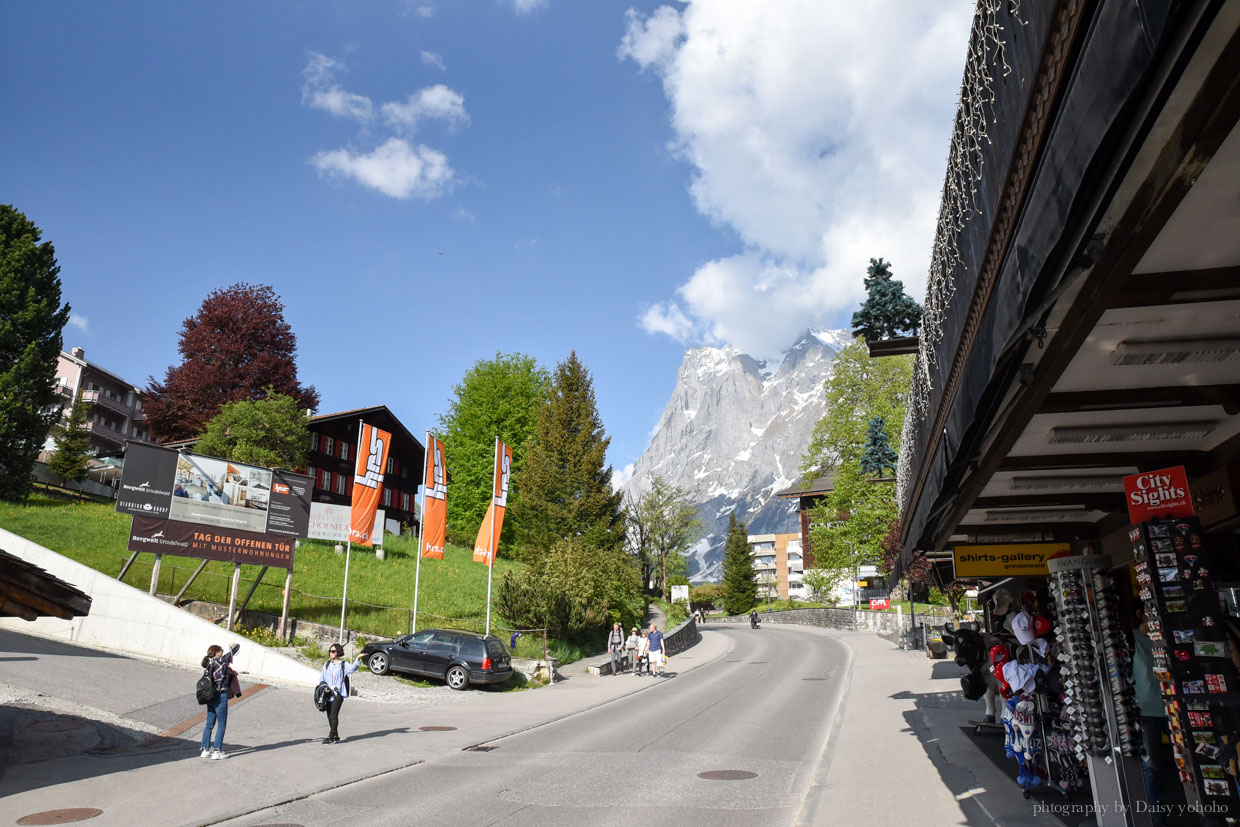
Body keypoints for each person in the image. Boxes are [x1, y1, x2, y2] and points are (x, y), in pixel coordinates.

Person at [1132, 607, 1168, 815]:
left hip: (1175, 707)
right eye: (1149, 613)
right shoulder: (1133, 640)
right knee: (1152, 765)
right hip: (1147, 712)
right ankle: (1157, 814)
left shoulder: (1166, 638)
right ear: (1141, 614)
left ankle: (1204, 809)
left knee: (1192, 760)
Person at [200, 642, 240, 760]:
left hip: (210, 696)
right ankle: (217, 751)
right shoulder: (221, 661)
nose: (222, 651)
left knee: (209, 724)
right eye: (221, 650)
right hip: (220, 695)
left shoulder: (208, 663)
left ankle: (205, 750)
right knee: (221, 724)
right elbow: (237, 648)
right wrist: (232, 647)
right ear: (217, 652)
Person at [321, 643, 363, 744]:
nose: (331, 653)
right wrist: (322, 689)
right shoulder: (327, 665)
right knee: (329, 715)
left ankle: (331, 737)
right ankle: (335, 735)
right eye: (330, 651)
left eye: (333, 651)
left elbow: (352, 669)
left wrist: (358, 658)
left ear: (338, 652)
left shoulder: (343, 665)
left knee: (334, 715)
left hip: (338, 693)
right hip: (328, 693)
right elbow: (322, 679)